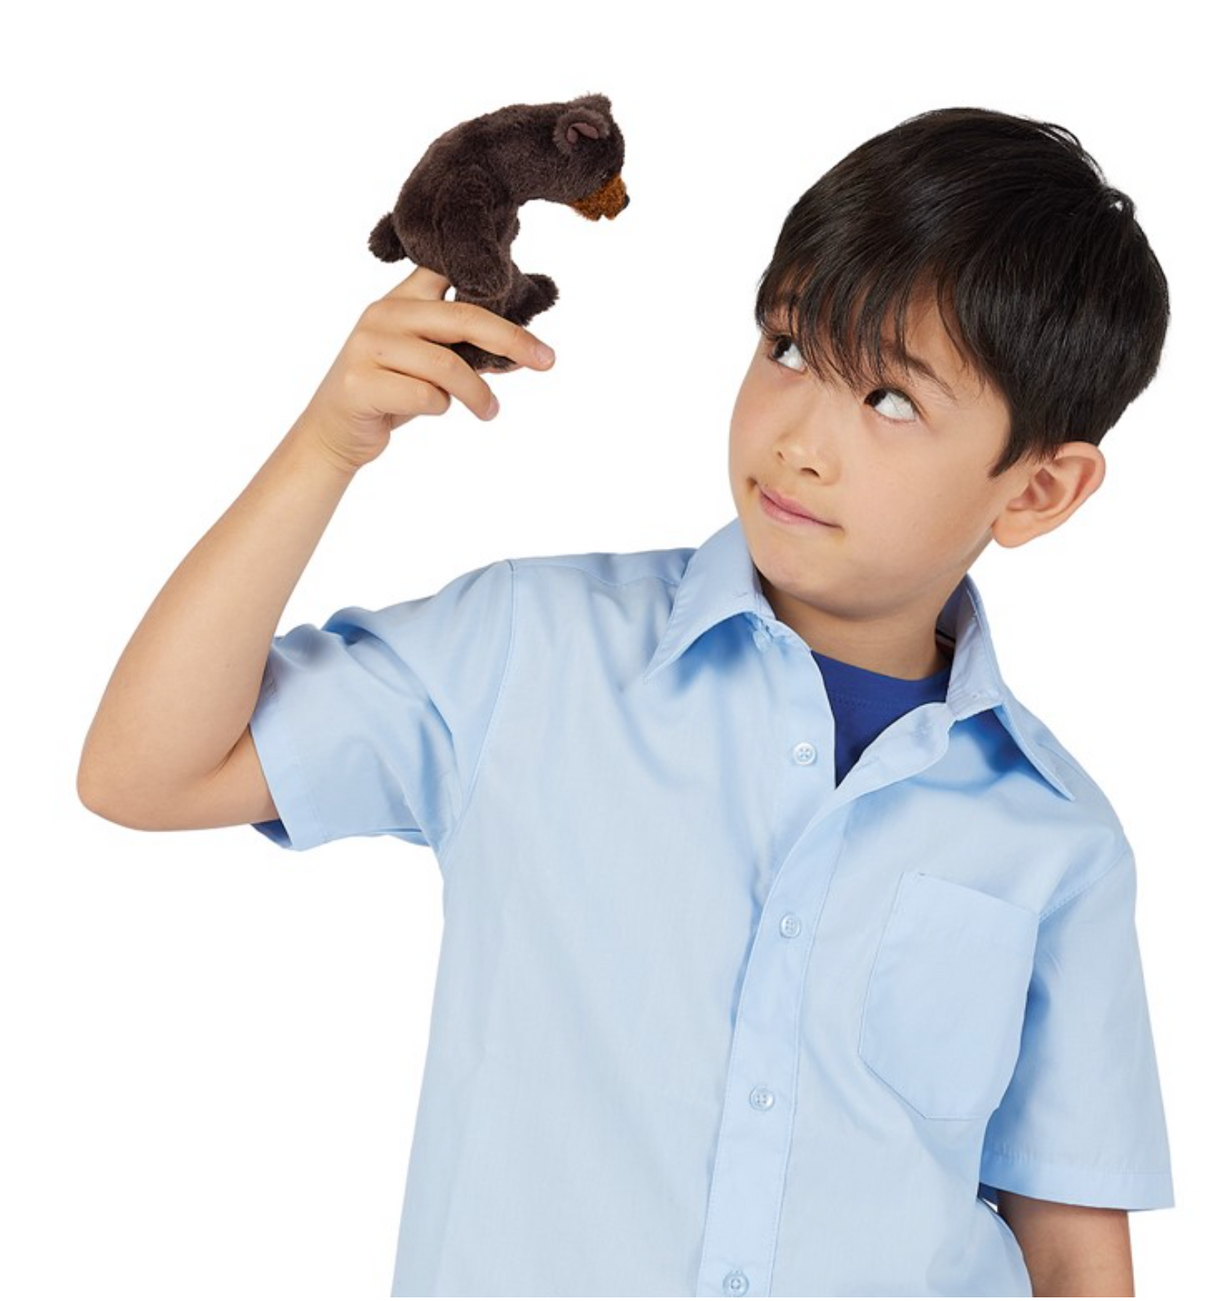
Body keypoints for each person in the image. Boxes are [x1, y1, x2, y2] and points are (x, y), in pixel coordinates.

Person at [77, 107, 1174, 1297]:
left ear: (1039, 489)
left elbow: (1072, 1253)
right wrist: (328, 443)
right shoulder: (526, 653)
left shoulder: (1054, 834)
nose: (799, 438)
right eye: (790, 349)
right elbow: (143, 770)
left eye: (893, 401)